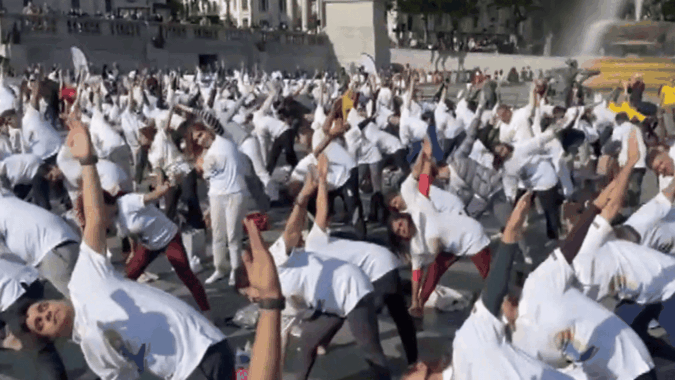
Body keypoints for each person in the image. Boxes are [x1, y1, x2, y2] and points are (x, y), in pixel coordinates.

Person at [17, 116, 284, 380]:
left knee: (186, 275)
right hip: (192, 364)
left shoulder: (81, 282)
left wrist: (87, 161)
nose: (46, 314)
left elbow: (96, 218)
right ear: (50, 338)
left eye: (41, 309)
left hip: (202, 340)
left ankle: (227, 333)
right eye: (40, 324)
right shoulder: (92, 348)